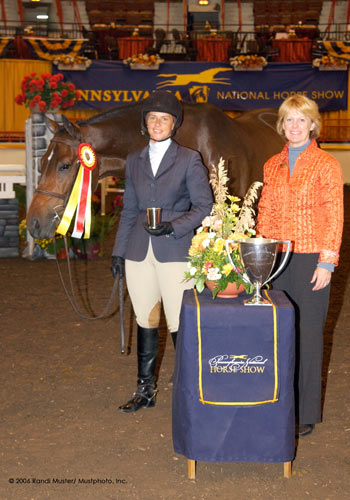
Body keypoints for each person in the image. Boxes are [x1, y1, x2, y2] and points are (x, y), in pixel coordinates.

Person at [111, 90, 213, 413]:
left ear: (174, 124)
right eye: (152, 118)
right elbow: (128, 210)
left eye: (164, 119)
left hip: (175, 249)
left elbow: (204, 205)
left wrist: (175, 226)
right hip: (139, 250)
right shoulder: (133, 160)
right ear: (145, 123)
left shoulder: (189, 159)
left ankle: (190, 390)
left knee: (180, 322)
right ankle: (145, 390)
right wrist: (118, 251)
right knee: (145, 318)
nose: (157, 123)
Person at [257, 95, 343, 437]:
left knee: (308, 334)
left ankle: (305, 412)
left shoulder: (326, 164)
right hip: (278, 259)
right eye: (289, 120)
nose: (294, 126)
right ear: (282, 125)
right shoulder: (271, 164)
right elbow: (265, 212)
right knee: (280, 333)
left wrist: (327, 262)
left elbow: (334, 215)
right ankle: (281, 403)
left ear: (312, 125)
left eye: (301, 120)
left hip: (311, 258)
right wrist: (260, 261)